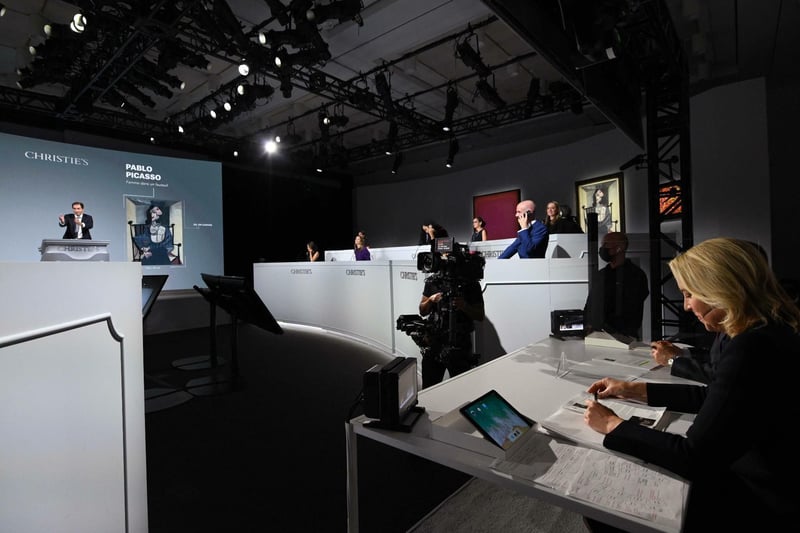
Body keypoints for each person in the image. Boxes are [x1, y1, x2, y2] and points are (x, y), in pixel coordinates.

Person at [583, 237, 800, 531]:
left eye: (688, 294)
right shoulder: (767, 330)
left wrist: (612, 424)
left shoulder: (750, 347)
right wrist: (632, 389)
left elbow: (693, 457)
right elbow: (714, 396)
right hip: (769, 479)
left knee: (603, 507)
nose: (686, 306)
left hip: (762, 499)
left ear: (719, 290)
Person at [418, 267, 485, 388]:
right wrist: (431, 300)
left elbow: (480, 315)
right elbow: (422, 311)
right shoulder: (433, 281)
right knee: (429, 388)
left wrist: (464, 305)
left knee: (462, 389)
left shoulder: (471, 284)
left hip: (460, 345)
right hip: (435, 343)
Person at [583, 231, 649, 340]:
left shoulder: (635, 275)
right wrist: (588, 324)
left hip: (622, 336)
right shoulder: (601, 274)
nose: (602, 248)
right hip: (596, 334)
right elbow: (590, 302)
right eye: (602, 245)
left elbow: (632, 307)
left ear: (619, 248)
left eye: (606, 244)